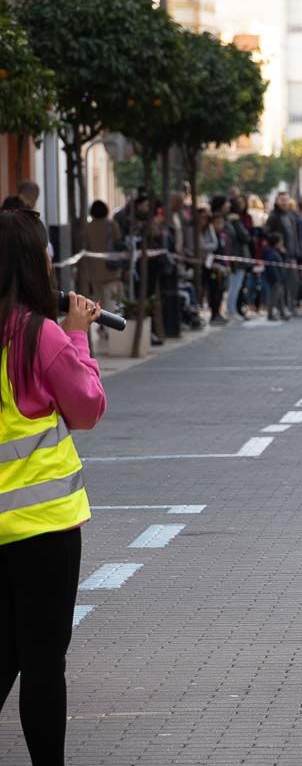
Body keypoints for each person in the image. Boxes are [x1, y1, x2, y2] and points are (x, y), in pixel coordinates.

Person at [0, 208, 105, 766]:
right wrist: (78, 336)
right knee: (42, 663)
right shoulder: (39, 337)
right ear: (34, 264)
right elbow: (86, 408)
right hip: (42, 526)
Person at [262, 233, 290, 321]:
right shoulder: (270, 253)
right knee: (274, 296)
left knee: (280, 296)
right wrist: (276, 278)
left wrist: (284, 254)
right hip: (275, 279)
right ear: (276, 243)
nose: (282, 244)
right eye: (281, 242)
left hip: (280, 278)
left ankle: (282, 312)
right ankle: (270, 313)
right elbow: (271, 268)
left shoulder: (276, 252)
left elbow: (284, 262)